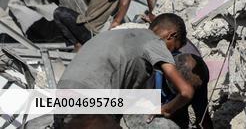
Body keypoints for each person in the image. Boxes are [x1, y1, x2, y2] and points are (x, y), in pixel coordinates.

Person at [58, 13, 194, 120]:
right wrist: (166, 109)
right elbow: (186, 92)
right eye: (173, 49)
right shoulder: (155, 43)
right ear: (171, 35)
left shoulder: (117, 34)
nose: (169, 53)